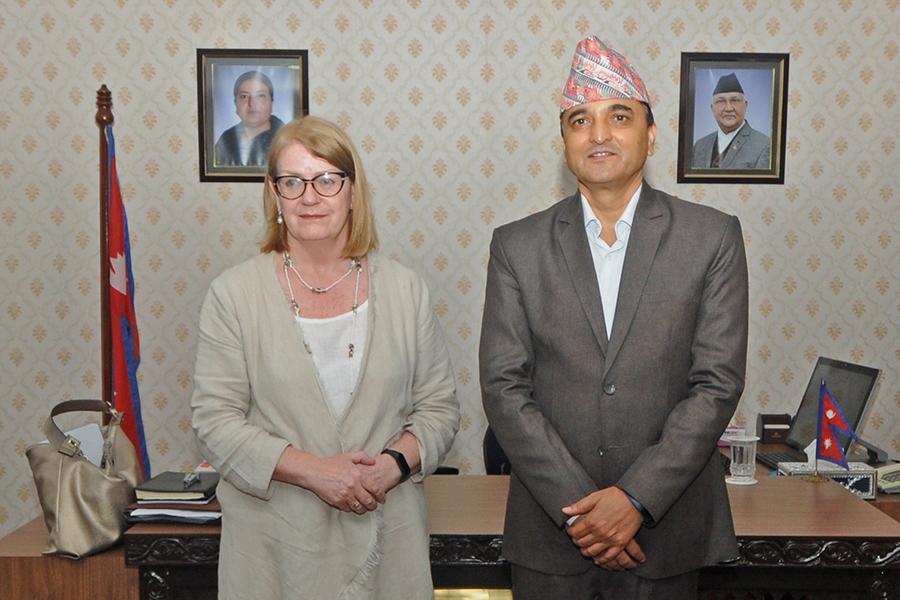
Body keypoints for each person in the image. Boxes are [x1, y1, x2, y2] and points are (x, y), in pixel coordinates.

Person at [479, 36, 749, 599]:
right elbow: (504, 388)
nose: (598, 134)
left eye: (619, 117)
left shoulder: (711, 237)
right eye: (580, 120)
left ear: (650, 136)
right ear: (564, 143)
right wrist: (584, 512)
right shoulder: (516, 246)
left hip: (666, 534)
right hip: (551, 537)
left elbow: (717, 383)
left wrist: (635, 499)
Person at [192, 115, 460, 599]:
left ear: (353, 191)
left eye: (327, 180)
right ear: (274, 194)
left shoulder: (406, 290)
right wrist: (315, 472)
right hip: (273, 555)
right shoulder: (233, 295)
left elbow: (440, 410)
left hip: (389, 547)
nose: (309, 197)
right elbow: (214, 421)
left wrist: (391, 466)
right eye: (292, 182)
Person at [691, 72, 771, 169]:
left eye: (735, 101)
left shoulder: (764, 145)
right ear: (712, 108)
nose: (728, 108)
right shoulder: (700, 146)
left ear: (745, 105)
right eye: (721, 101)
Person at [214, 70, 285, 166]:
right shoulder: (226, 140)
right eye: (244, 96)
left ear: (271, 104)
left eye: (260, 96)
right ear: (236, 104)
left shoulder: (284, 139)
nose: (252, 103)